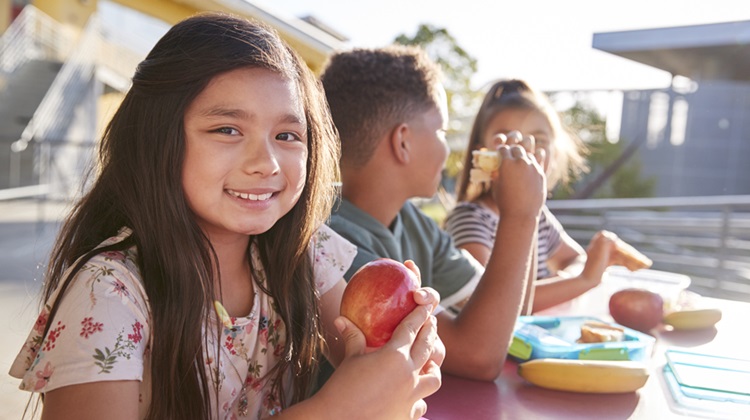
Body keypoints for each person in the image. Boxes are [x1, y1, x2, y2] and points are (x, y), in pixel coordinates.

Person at [9, 14, 444, 420]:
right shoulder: (110, 293)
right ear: (157, 139)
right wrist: (335, 409)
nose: (267, 162)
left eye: (288, 135)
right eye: (228, 130)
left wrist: (405, 349)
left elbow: (366, 365)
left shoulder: (304, 254)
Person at [319, 46, 546, 381]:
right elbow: (479, 356)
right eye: (441, 130)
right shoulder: (331, 239)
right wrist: (520, 215)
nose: (447, 146)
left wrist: (527, 208)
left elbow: (511, 312)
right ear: (403, 142)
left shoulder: (413, 223)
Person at [446, 78, 641, 313]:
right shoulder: (470, 219)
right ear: (482, 153)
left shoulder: (540, 217)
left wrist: (564, 280)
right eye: (508, 142)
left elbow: (574, 259)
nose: (524, 153)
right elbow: (495, 302)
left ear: (554, 152)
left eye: (538, 141)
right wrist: (583, 281)